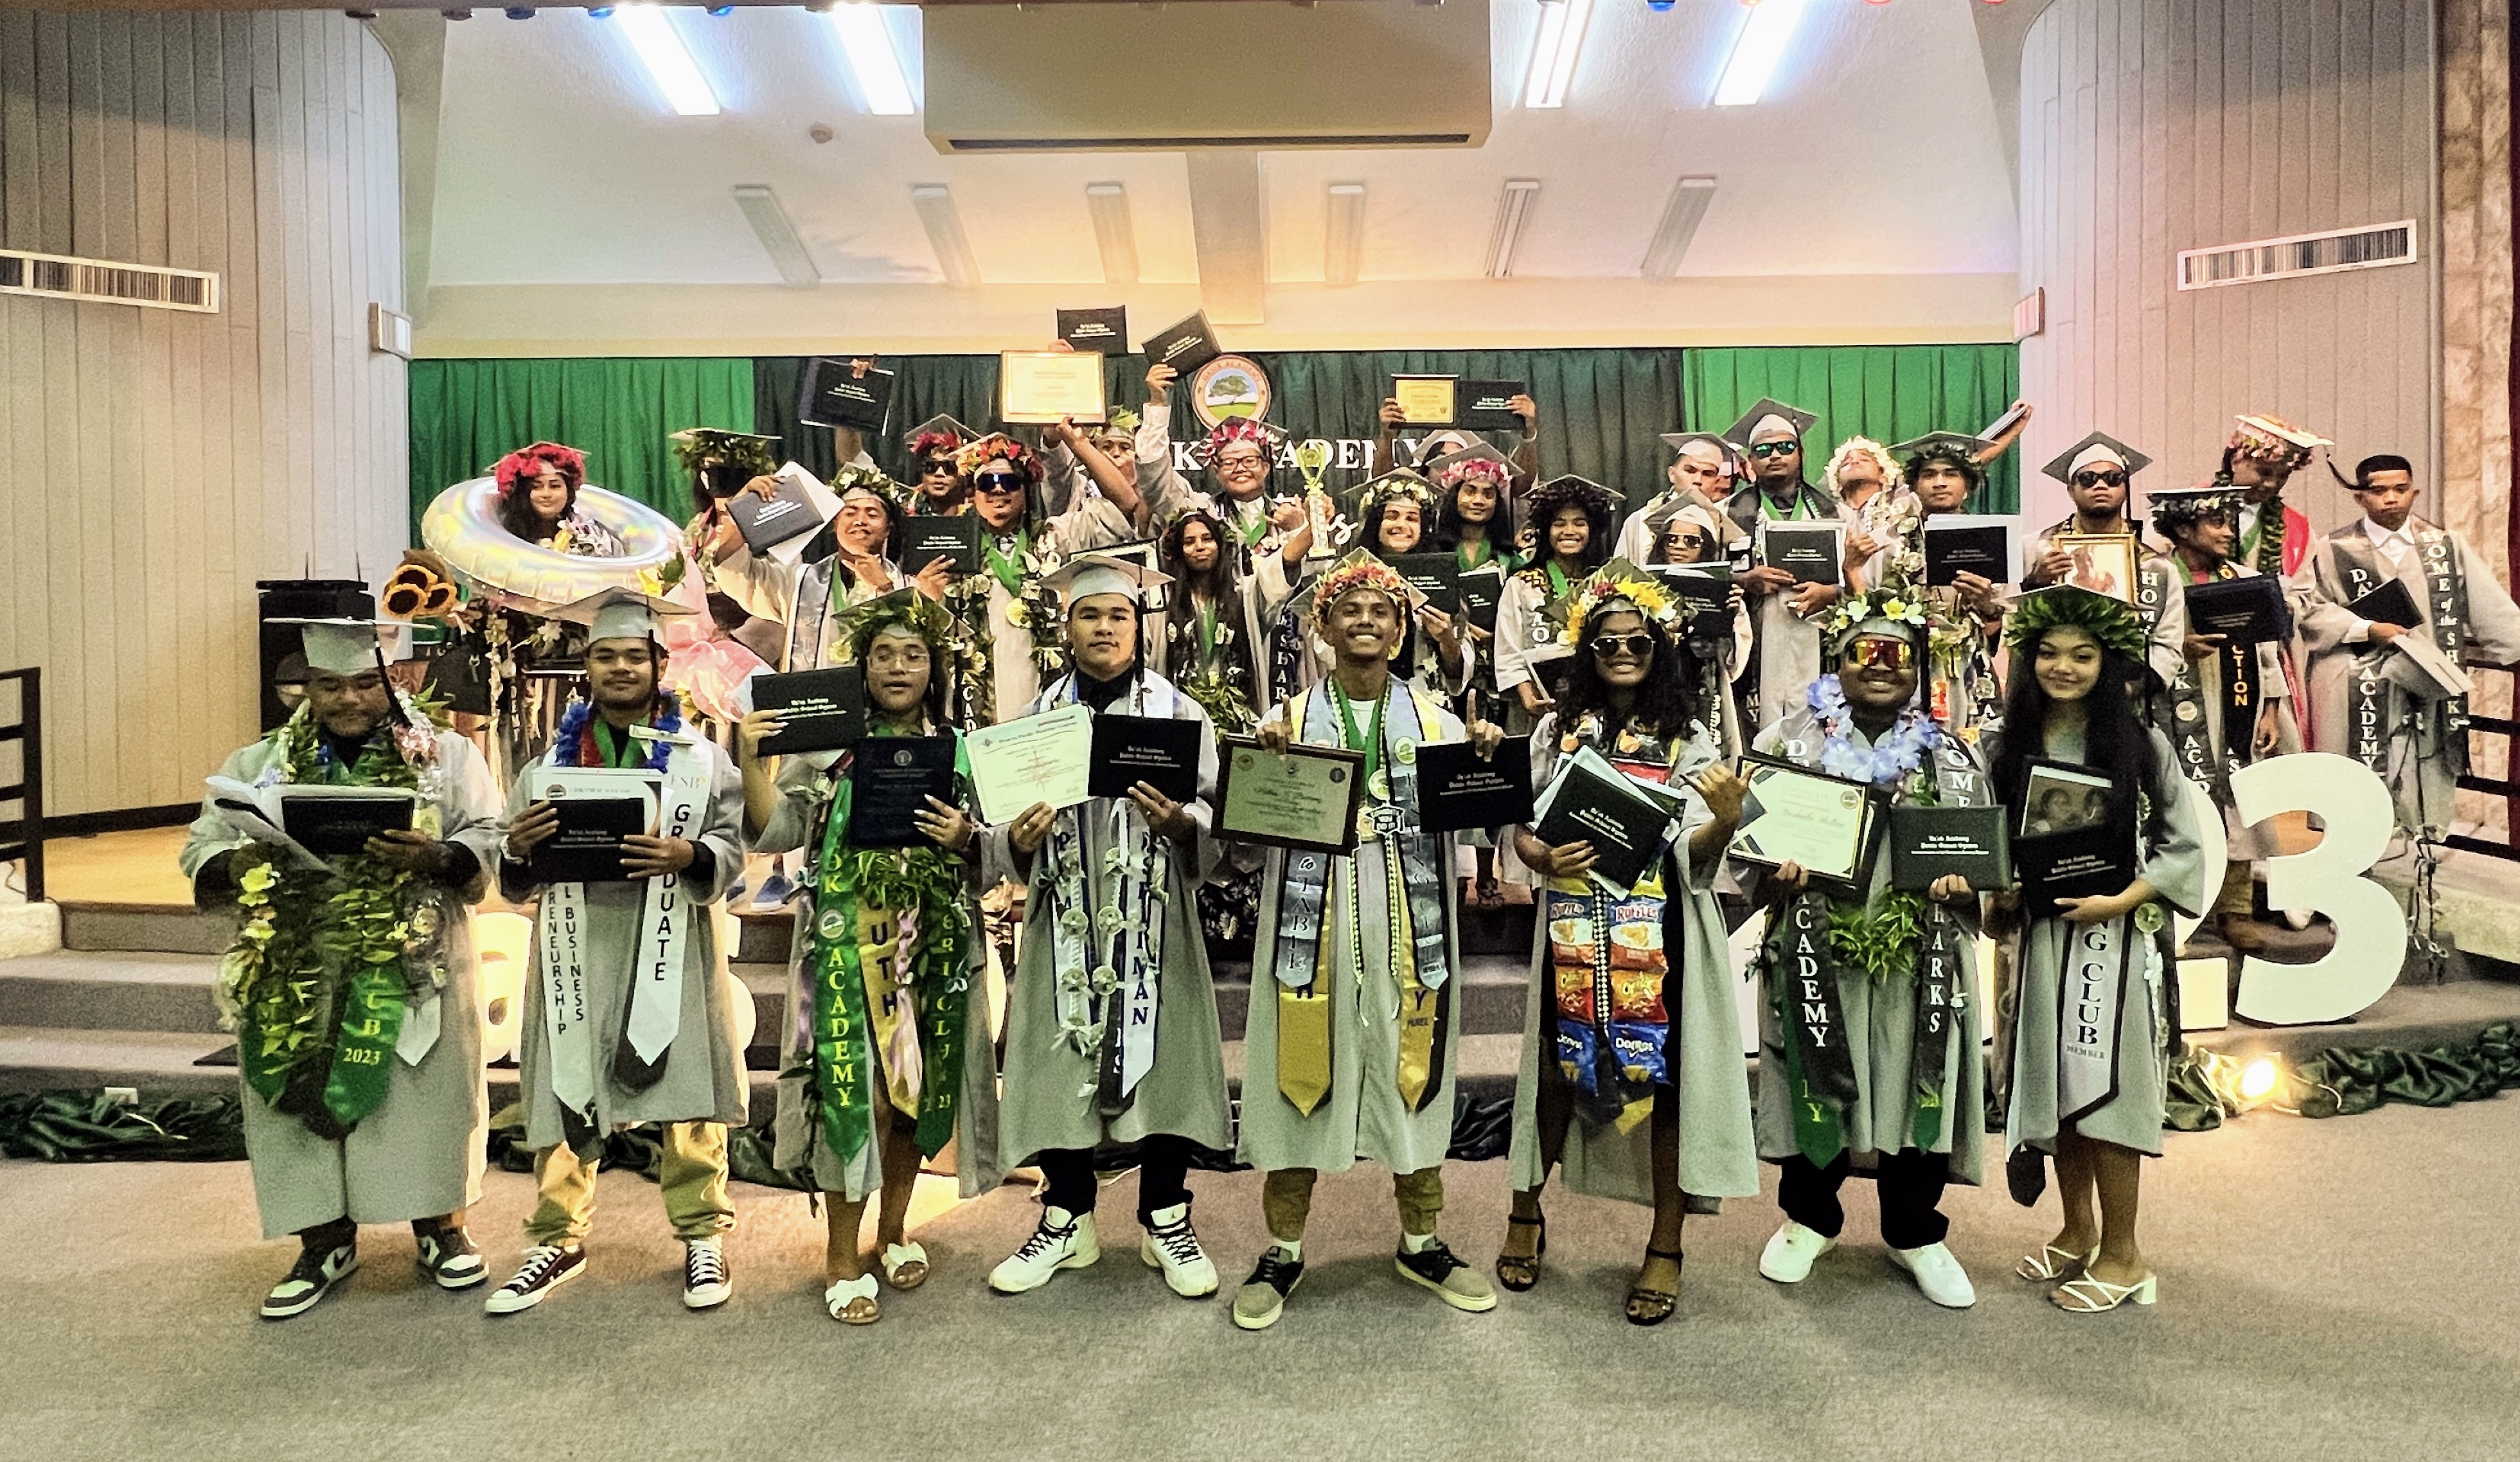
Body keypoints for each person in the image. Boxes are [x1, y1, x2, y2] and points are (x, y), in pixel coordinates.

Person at [181, 618, 504, 1319]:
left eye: (365, 683)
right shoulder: (258, 763)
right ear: (308, 688)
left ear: (393, 681)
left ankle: (440, 1228)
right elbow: (203, 841)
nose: (349, 700)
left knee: (425, 1093)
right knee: (300, 1085)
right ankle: (323, 1237)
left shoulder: (446, 757)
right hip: (301, 959)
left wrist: (437, 856)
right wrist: (236, 862)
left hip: (413, 959)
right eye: (330, 686)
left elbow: (488, 837)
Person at [1229, 551, 1506, 1330]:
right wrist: (1259, 766)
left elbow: (1483, 818)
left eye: (1380, 611)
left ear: (1400, 629)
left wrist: (1483, 759)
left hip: (1404, 921)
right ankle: (1282, 1251)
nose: (1364, 620)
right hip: (1312, 921)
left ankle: (1421, 1241)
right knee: (1298, 1068)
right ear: (1320, 626)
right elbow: (1245, 839)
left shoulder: (1440, 722)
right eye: (1347, 609)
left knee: (1410, 1066)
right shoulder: (1281, 720)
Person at [1498, 564, 1759, 1325]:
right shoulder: (1555, 727)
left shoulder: (1692, 736)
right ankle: (1524, 1211)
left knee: (1667, 1081)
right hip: (1573, 925)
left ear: (1660, 648)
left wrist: (1725, 819)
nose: (1622, 652)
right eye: (1607, 641)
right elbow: (1521, 822)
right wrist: (1538, 857)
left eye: (1637, 641)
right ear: (1586, 649)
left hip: (1660, 927)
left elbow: (1695, 850)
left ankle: (1665, 1245)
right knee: (1551, 1070)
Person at [485, 589, 752, 1315]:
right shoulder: (548, 766)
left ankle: (702, 1231)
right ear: (587, 669)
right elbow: (509, 859)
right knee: (568, 1075)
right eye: (605, 656)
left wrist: (689, 851)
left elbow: (734, 848)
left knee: (685, 1077)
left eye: (635, 655)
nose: (621, 668)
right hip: (576, 939)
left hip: (668, 934)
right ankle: (556, 1235)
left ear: (660, 665)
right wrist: (518, 849)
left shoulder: (700, 760)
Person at [736, 590, 1000, 1324]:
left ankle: (894, 1229)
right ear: (862, 667)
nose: (897, 666)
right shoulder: (827, 749)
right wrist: (752, 759)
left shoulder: (960, 750)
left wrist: (964, 837)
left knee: (919, 1095)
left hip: (934, 943)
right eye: (882, 653)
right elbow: (774, 829)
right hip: (847, 951)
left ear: (933, 668)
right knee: (865, 1096)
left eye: (913, 654)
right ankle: (841, 1254)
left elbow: (990, 848)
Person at [983, 553, 1233, 1300]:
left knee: (1167, 1062)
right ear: (1067, 627)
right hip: (1064, 908)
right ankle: (1067, 1216)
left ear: (1139, 627)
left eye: (1118, 615)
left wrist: (1186, 824)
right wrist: (1016, 843)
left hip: (1155, 911)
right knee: (1057, 1058)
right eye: (1089, 614)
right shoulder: (1035, 721)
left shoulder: (1180, 715)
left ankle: (1164, 1213)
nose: (1104, 627)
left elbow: (1222, 815)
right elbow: (998, 827)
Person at [1737, 591, 1996, 1310]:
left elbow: (1982, 858)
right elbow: (1750, 850)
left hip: (1921, 946)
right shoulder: (1788, 742)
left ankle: (1914, 1229)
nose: (1880, 667)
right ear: (1836, 661)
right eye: (1864, 652)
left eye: (1897, 654)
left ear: (1918, 666)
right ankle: (1809, 1217)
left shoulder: (1952, 754)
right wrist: (1771, 869)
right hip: (1818, 937)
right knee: (1812, 1064)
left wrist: (1964, 883)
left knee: (1919, 1069)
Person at [1991, 584, 2208, 1313]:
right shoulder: (2005, 746)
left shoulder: (2139, 746)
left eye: (2082, 655)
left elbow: (2184, 845)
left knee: (2106, 1091)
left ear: (2108, 663)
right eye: (2047, 653)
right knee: (2058, 1088)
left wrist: (2123, 898)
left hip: (2108, 944)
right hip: (2040, 941)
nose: (2063, 667)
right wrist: (2002, 891)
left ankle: (2125, 1254)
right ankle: (2077, 1228)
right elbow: (1995, 849)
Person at [2287, 453, 2520, 841]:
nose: (2391, 499)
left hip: (2424, 678)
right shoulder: (2332, 549)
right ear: (2360, 498)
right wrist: (2365, 628)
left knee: (2421, 772)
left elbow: (2491, 609)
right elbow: (2310, 611)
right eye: (2379, 491)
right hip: (2354, 680)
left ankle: (2419, 867)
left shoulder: (2445, 546)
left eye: (2400, 489)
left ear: (2414, 492)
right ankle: (2355, 863)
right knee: (2356, 787)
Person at [2149, 485, 2300, 950]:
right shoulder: (2154, 576)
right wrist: (2180, 647)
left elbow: (2266, 649)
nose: (2227, 532)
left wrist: (2271, 709)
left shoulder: (2244, 576)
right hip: (2174, 705)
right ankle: (2181, 902)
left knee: (2237, 802)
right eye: (2216, 523)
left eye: (2230, 522)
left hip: (2235, 702)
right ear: (2182, 528)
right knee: (2180, 800)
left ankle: (2235, 908)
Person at [949, 431, 1144, 727]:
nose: (999, 491)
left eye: (1011, 482)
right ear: (972, 494)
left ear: (1027, 492)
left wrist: (1077, 443)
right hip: (974, 705)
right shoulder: (954, 549)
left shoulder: (1055, 537)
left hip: (1049, 700)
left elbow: (1124, 504)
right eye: (987, 483)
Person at [2021, 432, 2189, 709]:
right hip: (2049, 693)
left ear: (2126, 488)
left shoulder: (2156, 563)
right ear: (2070, 489)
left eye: (2113, 479)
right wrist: (2035, 583)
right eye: (2087, 479)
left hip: (2129, 701)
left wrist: (2130, 690)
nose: (2101, 485)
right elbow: (2009, 625)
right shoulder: (2035, 549)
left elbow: (2168, 645)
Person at [1721, 398, 1852, 734]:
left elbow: (1867, 582)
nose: (1775, 456)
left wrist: (1833, 592)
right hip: (1757, 636)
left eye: (1785, 447)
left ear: (1801, 453)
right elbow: (1701, 578)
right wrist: (1743, 578)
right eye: (1763, 450)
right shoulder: (1723, 514)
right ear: (1751, 462)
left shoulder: (1838, 514)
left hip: (1817, 633)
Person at [1493, 474, 1622, 735]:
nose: (1569, 532)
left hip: (1600, 707)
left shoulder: (1609, 583)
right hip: (1537, 711)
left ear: (1593, 529)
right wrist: (1529, 698)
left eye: (1580, 523)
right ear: (1546, 530)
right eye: (1559, 524)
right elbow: (1508, 651)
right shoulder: (1521, 584)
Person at [2220, 413, 2325, 579]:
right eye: (2265, 472)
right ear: (2236, 461)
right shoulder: (2196, 509)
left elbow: (2303, 592)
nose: (2271, 483)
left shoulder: (2296, 526)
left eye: (2282, 476)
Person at [1614, 431, 1739, 563]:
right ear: (1672, 474)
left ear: (1716, 480)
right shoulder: (1639, 521)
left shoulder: (1728, 522)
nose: (1698, 480)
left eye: (1708, 474)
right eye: (1690, 470)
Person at [492, 441, 625, 557]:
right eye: (536, 487)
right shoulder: (504, 536)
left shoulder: (593, 534)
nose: (546, 494)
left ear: (568, 492)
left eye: (555, 486)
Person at [904, 415, 979, 515]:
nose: (940, 473)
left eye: (949, 467)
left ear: (962, 475)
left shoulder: (976, 516)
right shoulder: (902, 513)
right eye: (931, 466)